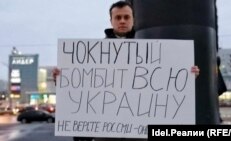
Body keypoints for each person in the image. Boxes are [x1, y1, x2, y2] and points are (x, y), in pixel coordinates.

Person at [53, 1, 200, 141]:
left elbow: (165, 83)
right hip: (105, 132)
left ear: (133, 20)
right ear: (111, 20)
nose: (122, 21)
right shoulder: (94, 53)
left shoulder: (153, 50)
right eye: (118, 17)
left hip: (139, 132)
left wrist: (187, 75)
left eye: (126, 17)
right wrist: (61, 77)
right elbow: (80, 85)